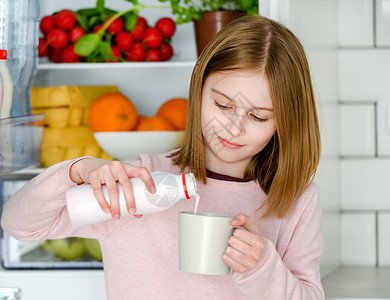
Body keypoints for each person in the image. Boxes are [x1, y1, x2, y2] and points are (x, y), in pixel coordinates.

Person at [1, 15, 324, 299]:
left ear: (287, 118)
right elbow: (19, 225)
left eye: (259, 117)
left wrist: (262, 266)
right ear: (198, 81)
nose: (233, 128)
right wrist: (75, 171)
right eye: (223, 105)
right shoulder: (138, 183)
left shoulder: (295, 198)